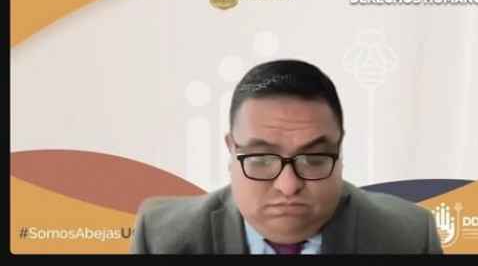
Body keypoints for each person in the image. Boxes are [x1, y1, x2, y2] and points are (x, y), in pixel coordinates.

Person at [131, 59, 442, 254]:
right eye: (262, 158)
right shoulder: (161, 237)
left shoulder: (408, 237)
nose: (289, 186)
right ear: (231, 150)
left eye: (314, 159)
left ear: (340, 150)